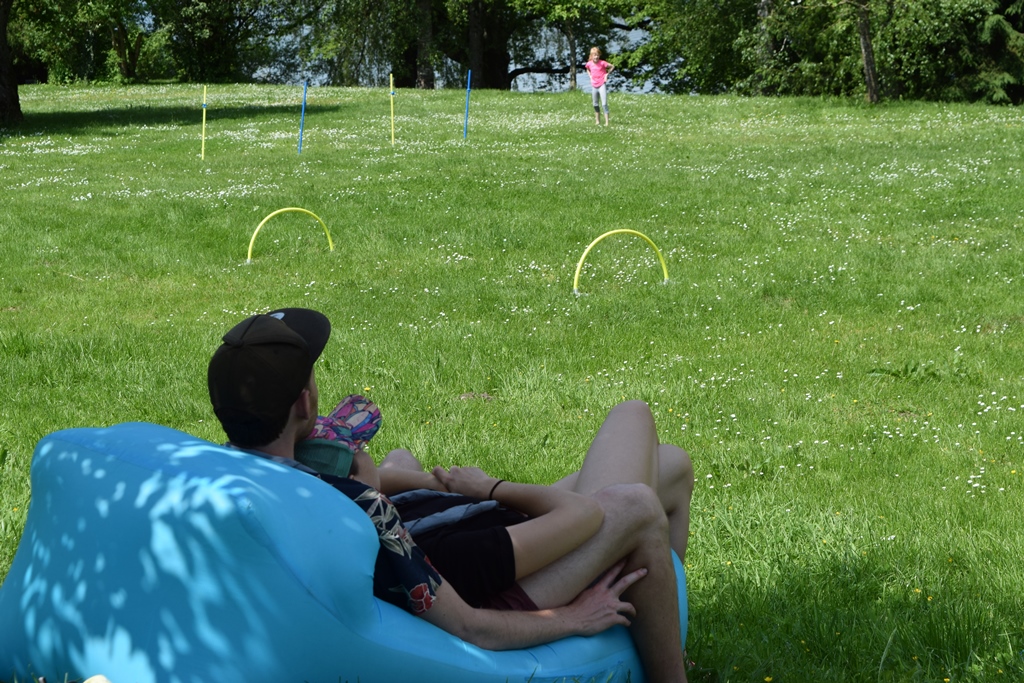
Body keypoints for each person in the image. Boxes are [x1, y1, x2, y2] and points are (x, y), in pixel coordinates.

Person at [207, 308, 693, 683]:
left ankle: (661, 624)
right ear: (303, 402)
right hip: (488, 584)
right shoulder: (360, 505)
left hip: (464, 532)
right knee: (637, 498)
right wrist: (570, 618)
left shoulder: (225, 470)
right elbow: (469, 627)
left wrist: (408, 479)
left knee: (670, 465)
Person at [585, 47, 615, 126]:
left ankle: (607, 123)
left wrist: (607, 74)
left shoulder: (602, 63)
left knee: (604, 104)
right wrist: (590, 76)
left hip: (602, 84)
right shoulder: (589, 63)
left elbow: (612, 66)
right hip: (594, 85)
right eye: (594, 55)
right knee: (595, 104)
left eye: (597, 55)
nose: (596, 57)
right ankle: (597, 121)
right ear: (591, 56)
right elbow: (587, 69)